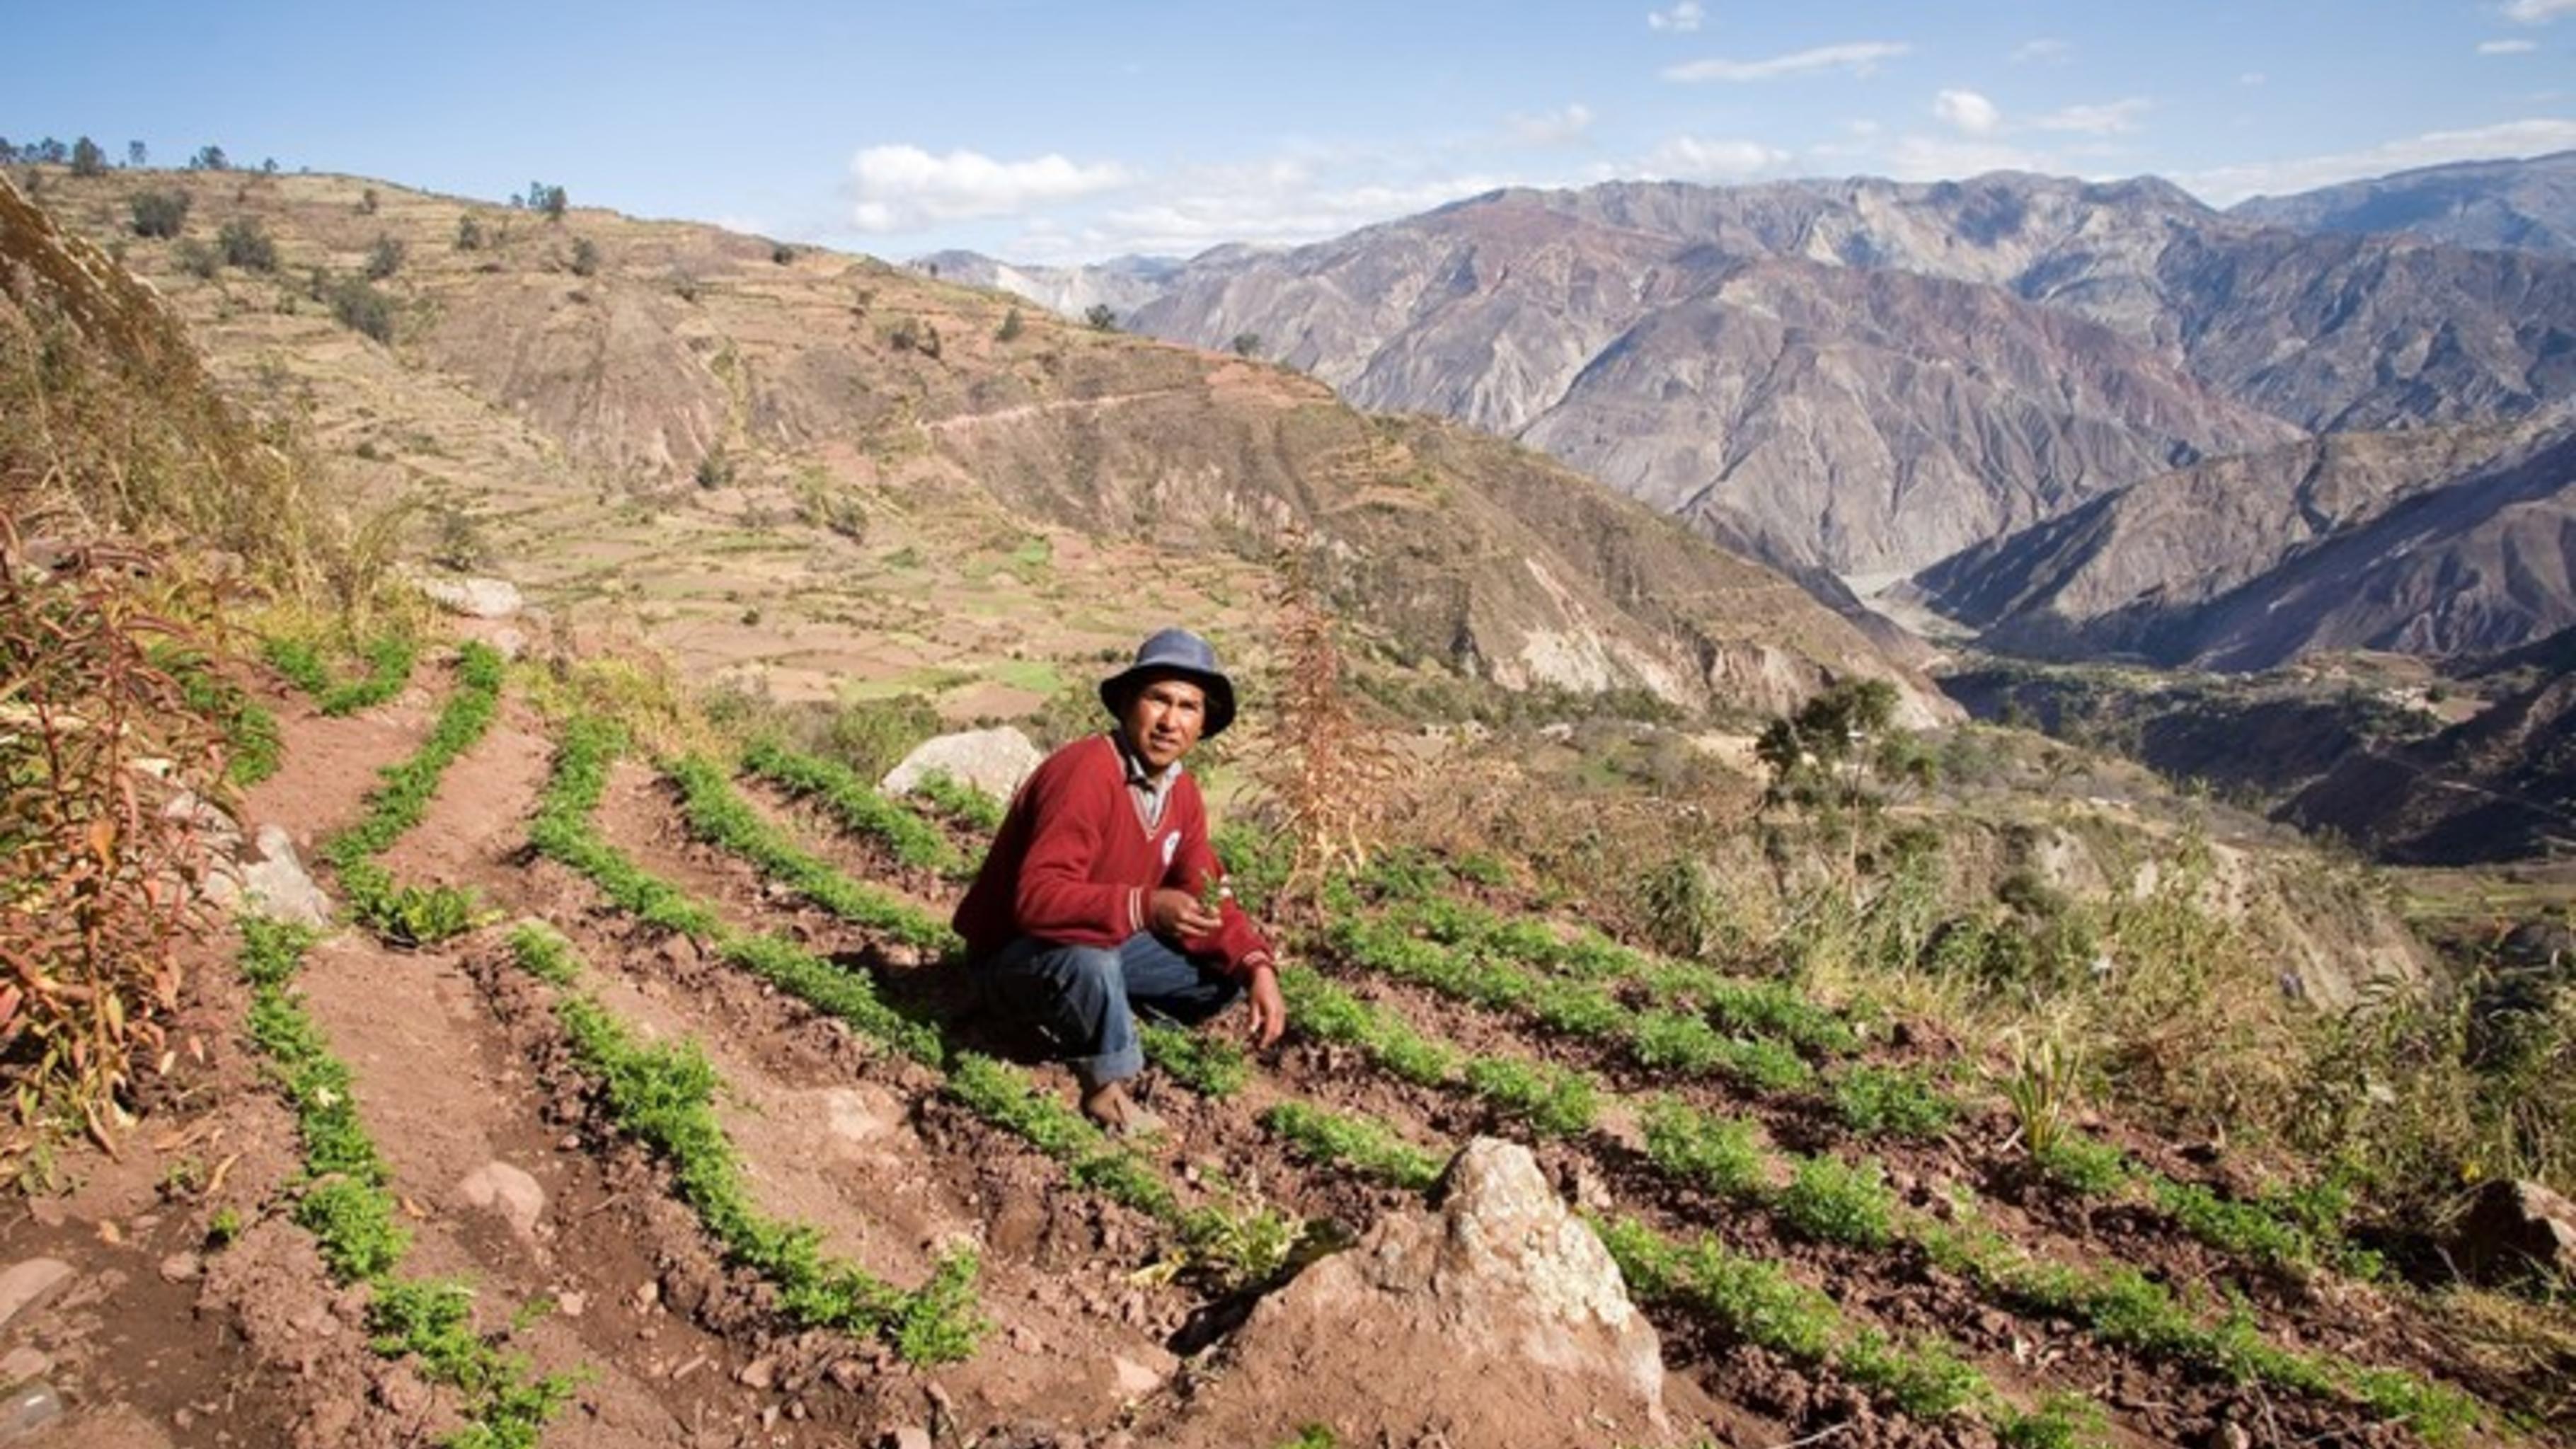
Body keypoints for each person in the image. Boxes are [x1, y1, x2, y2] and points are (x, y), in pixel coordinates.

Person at [952, 628, 1289, 1133]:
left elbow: (1207, 894)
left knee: (1222, 974)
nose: (1170, 722)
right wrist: (1147, 907)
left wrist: (1258, 965)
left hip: (1104, 943)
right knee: (1089, 959)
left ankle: (1093, 1011)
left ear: (1203, 723)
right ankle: (1104, 1090)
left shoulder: (1182, 794)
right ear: (1130, 703)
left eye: (1188, 707)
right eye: (1159, 700)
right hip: (1018, 955)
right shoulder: (1085, 772)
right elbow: (1038, 901)